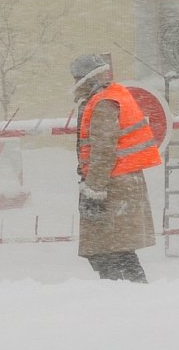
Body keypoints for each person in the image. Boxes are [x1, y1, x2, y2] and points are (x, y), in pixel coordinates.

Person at [69, 53, 162, 283]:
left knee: (110, 250)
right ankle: (126, 288)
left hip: (113, 184)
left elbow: (103, 150)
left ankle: (127, 290)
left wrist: (94, 190)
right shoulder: (113, 96)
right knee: (114, 249)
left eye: (76, 78)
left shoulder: (103, 103)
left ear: (85, 79)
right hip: (122, 181)